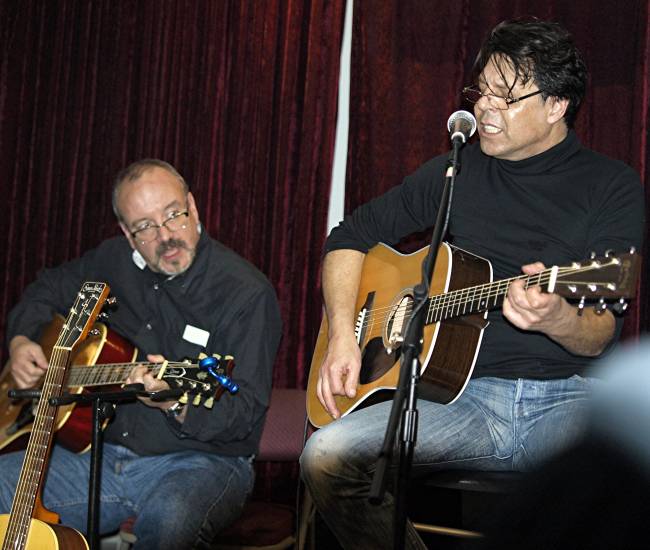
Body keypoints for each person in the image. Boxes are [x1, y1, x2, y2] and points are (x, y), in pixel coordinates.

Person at [300, 18, 645, 550]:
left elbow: (601, 333)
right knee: (325, 457)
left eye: (506, 97)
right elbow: (349, 237)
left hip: (568, 402)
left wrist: (558, 319)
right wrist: (344, 336)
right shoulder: (453, 171)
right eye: (480, 91)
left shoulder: (610, 185)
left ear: (556, 106)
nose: (485, 107)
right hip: (461, 401)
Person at [0, 159, 282, 549]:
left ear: (193, 208)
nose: (166, 235)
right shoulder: (110, 262)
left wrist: (173, 404)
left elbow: (243, 413)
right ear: (127, 235)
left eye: (174, 215)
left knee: (169, 526)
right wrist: (21, 341)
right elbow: (45, 289)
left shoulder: (246, 293)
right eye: (145, 227)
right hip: (98, 453)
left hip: (203, 462)